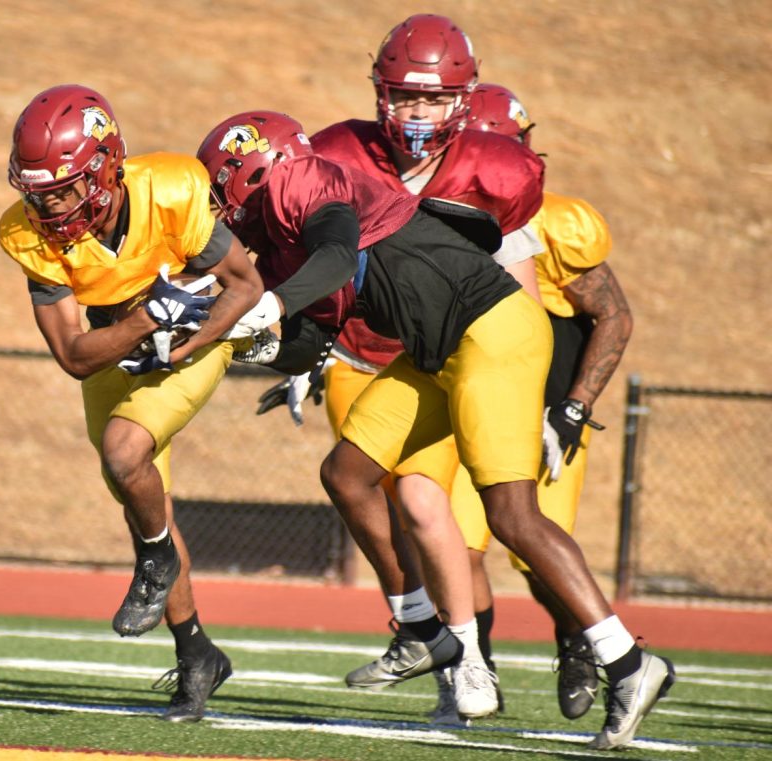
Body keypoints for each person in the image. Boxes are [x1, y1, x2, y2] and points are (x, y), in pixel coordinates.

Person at [197, 108, 674, 751]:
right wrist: (229, 340)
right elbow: (308, 339)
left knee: (511, 515)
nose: (219, 205)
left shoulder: (305, 183)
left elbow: (337, 254)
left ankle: (627, 663)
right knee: (347, 473)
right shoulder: (282, 250)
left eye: (220, 185)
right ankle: (425, 630)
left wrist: (267, 307)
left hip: (494, 331)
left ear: (255, 168)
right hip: (439, 354)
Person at [258, 14, 547, 723]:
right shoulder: (337, 151)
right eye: (404, 97)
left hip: (449, 355)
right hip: (362, 354)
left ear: (463, 99)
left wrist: (535, 394)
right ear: (379, 92)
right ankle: (417, 628)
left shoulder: (495, 166)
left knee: (427, 506)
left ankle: (477, 660)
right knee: (360, 488)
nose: (416, 114)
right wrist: (306, 342)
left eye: (433, 100)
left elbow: (522, 287)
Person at [0, 84, 262, 722]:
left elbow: (245, 284)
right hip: (118, 341)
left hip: (194, 338)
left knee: (125, 453)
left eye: (62, 188)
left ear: (107, 166)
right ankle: (197, 654)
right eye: (36, 192)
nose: (48, 206)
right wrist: (146, 323)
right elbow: (72, 355)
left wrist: (181, 341)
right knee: (145, 500)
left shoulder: (168, 190)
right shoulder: (27, 234)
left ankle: (154, 561)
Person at [450, 82, 635, 722]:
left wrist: (575, 406)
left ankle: (579, 642)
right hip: (471, 404)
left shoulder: (552, 224)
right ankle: (477, 669)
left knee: (533, 550)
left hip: (547, 414)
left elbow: (614, 316)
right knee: (458, 545)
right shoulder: (429, 208)